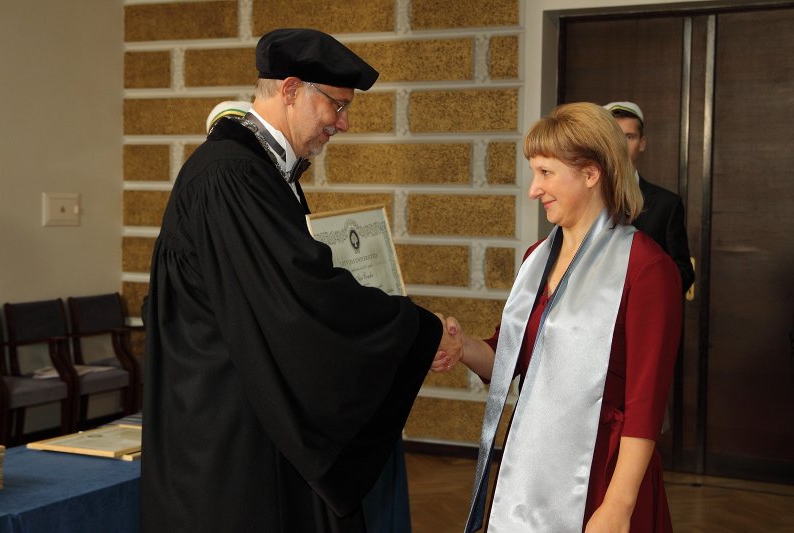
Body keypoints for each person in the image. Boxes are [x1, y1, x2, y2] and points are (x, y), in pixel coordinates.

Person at [141, 28, 457, 533]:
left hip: (248, 412)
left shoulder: (258, 171)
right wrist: (417, 330)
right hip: (227, 430)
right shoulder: (232, 176)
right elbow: (302, 299)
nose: (345, 123)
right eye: (336, 105)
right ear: (290, 90)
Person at [433, 103, 681, 531]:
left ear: (591, 173)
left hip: (604, 472)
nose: (534, 189)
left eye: (546, 173)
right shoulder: (537, 258)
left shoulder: (646, 268)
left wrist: (619, 505)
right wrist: (464, 346)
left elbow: (646, 402)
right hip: (532, 464)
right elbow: (512, 358)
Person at [604, 101, 694, 293]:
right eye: (615, 137)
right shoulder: (583, 199)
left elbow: (684, 274)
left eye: (629, 137)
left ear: (642, 143)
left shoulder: (667, 204)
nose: (621, 145)